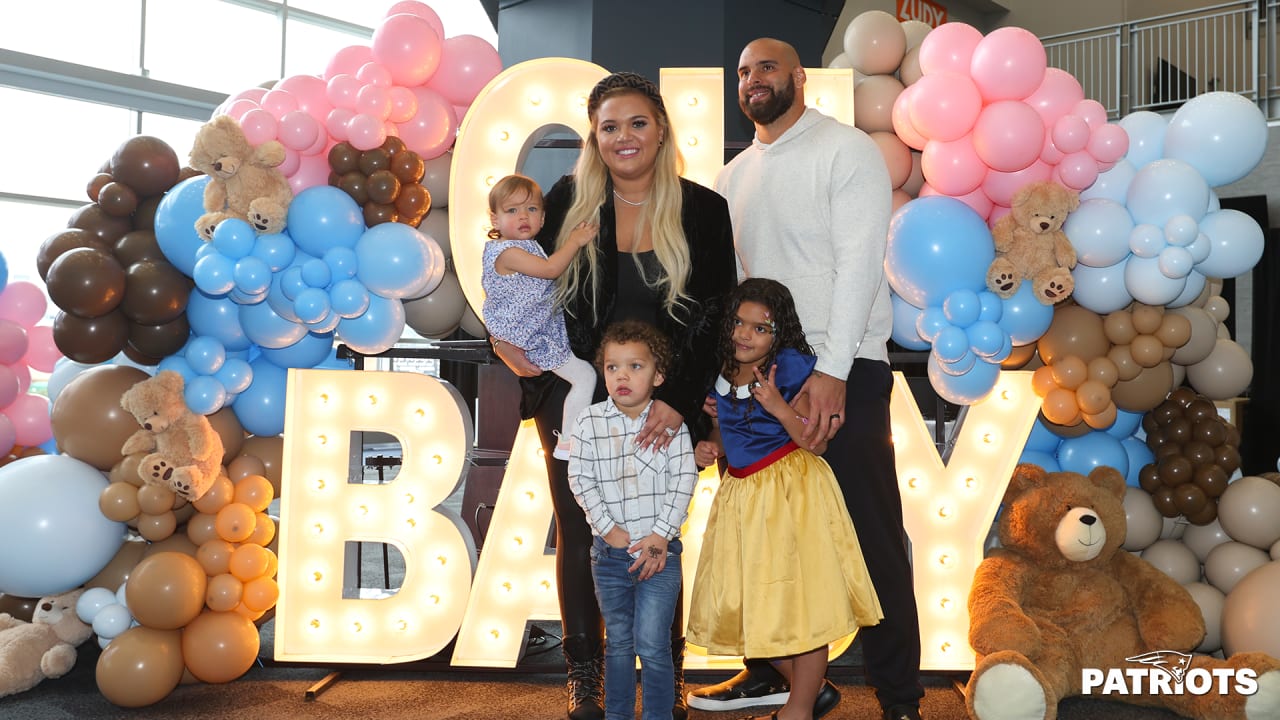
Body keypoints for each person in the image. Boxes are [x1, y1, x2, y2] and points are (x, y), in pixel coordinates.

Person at [490, 70, 738, 720]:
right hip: (574, 397)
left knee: (657, 534)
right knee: (581, 531)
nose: (623, 137)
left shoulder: (704, 209)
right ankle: (587, 679)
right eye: (608, 127)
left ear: (661, 131)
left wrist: (677, 401)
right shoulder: (569, 199)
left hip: (661, 404)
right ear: (594, 138)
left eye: (637, 123)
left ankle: (665, 680)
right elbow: (516, 273)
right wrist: (499, 337)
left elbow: (714, 315)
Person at [692, 38, 927, 720]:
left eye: (766, 67)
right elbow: (735, 295)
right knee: (762, 534)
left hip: (841, 368)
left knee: (869, 533)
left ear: (798, 77)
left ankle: (900, 697)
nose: (752, 79)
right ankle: (772, 673)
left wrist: (831, 371)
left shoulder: (845, 149)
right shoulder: (733, 176)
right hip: (762, 379)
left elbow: (859, 263)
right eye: (741, 71)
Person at [688, 278, 883, 720]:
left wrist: (779, 406)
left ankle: (797, 710)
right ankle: (808, 691)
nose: (745, 333)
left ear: (780, 332)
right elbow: (728, 430)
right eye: (739, 322)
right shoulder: (724, 365)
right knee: (752, 604)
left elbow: (815, 443)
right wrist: (712, 441)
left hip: (789, 493)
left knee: (800, 606)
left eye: (760, 328)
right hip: (742, 495)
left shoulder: (794, 368)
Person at [568, 320, 698, 720]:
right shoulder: (589, 423)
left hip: (660, 555)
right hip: (608, 556)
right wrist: (608, 528)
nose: (622, 375)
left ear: (659, 375)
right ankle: (618, 715)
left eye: (635, 366)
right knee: (620, 642)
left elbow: (685, 478)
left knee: (654, 643)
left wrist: (660, 536)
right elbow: (579, 478)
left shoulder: (671, 425)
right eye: (612, 367)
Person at [482, 173, 599, 459]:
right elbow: (550, 270)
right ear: (495, 221)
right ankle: (569, 442)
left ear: (543, 218)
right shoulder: (507, 252)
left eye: (531, 209)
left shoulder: (526, 245)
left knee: (584, 377)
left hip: (536, 329)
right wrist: (575, 241)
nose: (523, 216)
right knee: (584, 377)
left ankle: (570, 440)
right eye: (512, 210)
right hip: (526, 333)